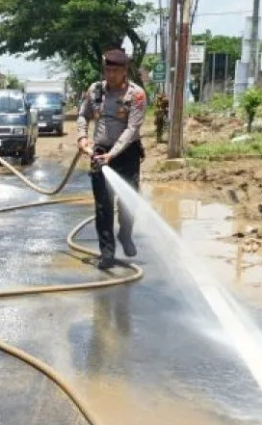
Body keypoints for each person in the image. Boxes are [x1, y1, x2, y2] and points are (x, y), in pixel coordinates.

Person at [77, 48, 147, 270]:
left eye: (115, 70)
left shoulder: (136, 95)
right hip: (99, 151)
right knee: (103, 205)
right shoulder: (95, 90)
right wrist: (82, 137)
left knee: (128, 200)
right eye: (107, 70)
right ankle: (106, 252)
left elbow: (132, 129)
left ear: (125, 70)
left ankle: (125, 234)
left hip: (126, 153)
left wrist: (112, 154)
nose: (110, 74)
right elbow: (82, 115)